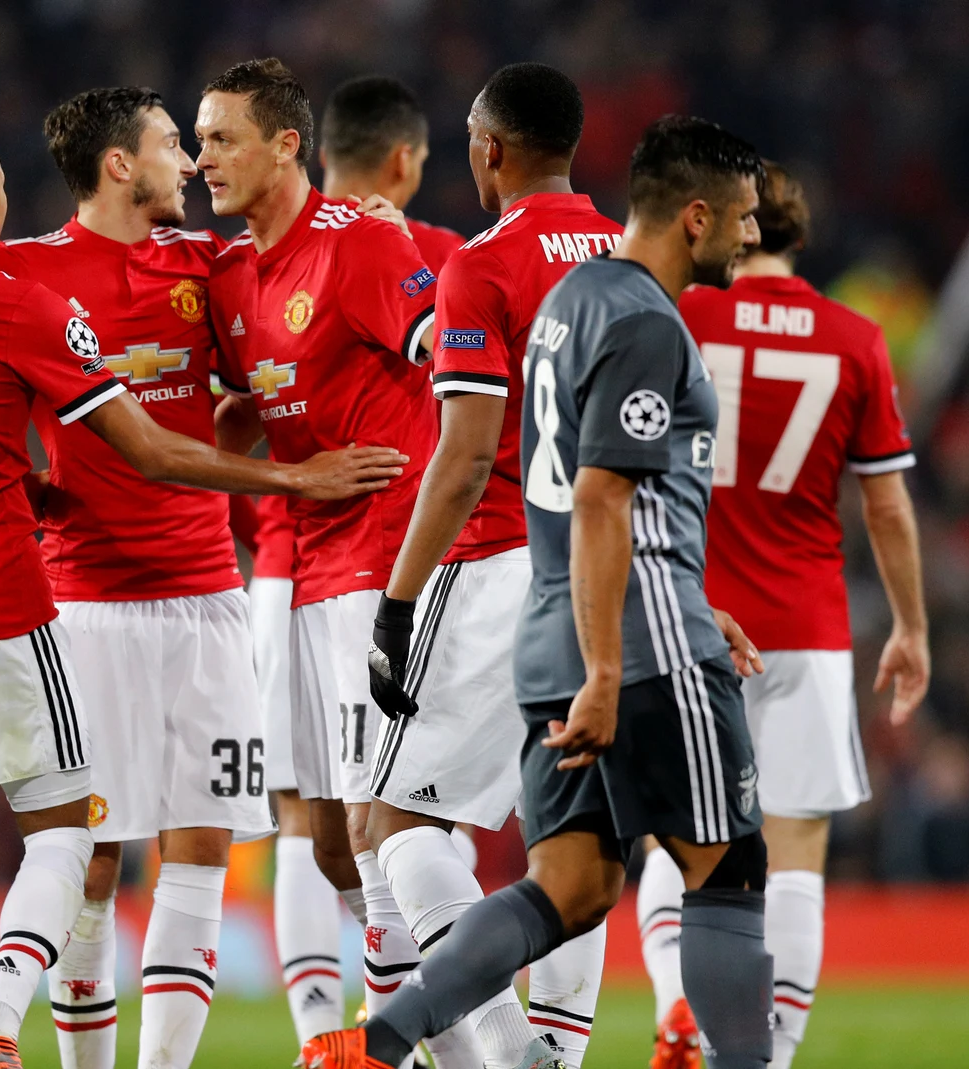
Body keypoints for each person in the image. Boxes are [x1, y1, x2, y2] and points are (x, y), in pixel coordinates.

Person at [0, 115, 405, 1069]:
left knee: (200, 847)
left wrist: (358, 220)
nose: (189, 160)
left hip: (207, 599)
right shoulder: (19, 275)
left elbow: (288, 309)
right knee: (92, 860)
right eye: (168, 141)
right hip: (84, 598)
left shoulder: (208, 265)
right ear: (118, 164)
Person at [300, 115, 773, 1069]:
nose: (755, 237)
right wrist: (640, 633)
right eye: (745, 218)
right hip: (629, 627)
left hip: (553, 609)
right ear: (693, 217)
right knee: (729, 871)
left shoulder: (564, 303)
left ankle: (388, 1039)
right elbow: (604, 492)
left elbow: (557, 474)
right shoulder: (642, 315)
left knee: (572, 880)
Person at [639, 161, 930, 1069]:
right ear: (800, 237)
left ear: (734, 229)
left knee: (674, 831)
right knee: (797, 848)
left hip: (687, 612)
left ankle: (674, 1009)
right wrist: (913, 627)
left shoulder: (679, 314)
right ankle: (770, 1053)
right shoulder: (855, 337)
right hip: (805, 626)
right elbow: (885, 506)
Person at [363, 62, 624, 1069]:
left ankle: (508, 1055)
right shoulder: (633, 257)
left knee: (400, 820)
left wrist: (397, 597)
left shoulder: (486, 259)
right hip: (620, 573)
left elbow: (467, 454)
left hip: (501, 567)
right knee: (582, 839)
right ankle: (554, 1048)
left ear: (492, 149)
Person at [195, 57, 439, 1050]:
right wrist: (243, 423)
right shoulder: (229, 276)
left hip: (380, 563)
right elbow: (249, 410)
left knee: (383, 825)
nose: (204, 157)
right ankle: (388, 1010)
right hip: (296, 568)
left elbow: (455, 352)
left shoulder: (360, 246)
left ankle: (400, 1034)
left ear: (286, 145)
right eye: (198, 138)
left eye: (221, 138)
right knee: (325, 830)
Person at [259, 70, 464, 1053]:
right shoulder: (424, 251)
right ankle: (406, 1026)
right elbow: (476, 369)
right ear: (406, 157)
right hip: (383, 562)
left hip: (275, 566)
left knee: (310, 814)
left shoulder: (257, 258)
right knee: (399, 809)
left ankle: (331, 1028)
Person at [318, 75, 464, 269]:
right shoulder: (443, 254)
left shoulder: (276, 239)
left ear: (323, 157)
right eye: (420, 160)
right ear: (402, 161)